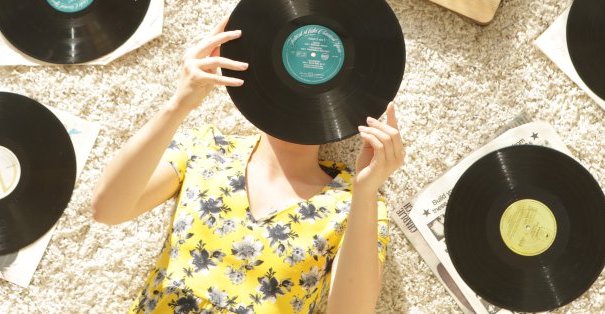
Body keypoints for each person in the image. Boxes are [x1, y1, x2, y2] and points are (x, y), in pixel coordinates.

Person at [92, 19, 405, 314]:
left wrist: (365, 191)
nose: (298, 100)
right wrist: (178, 104)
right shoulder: (205, 149)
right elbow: (107, 209)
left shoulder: (356, 202)